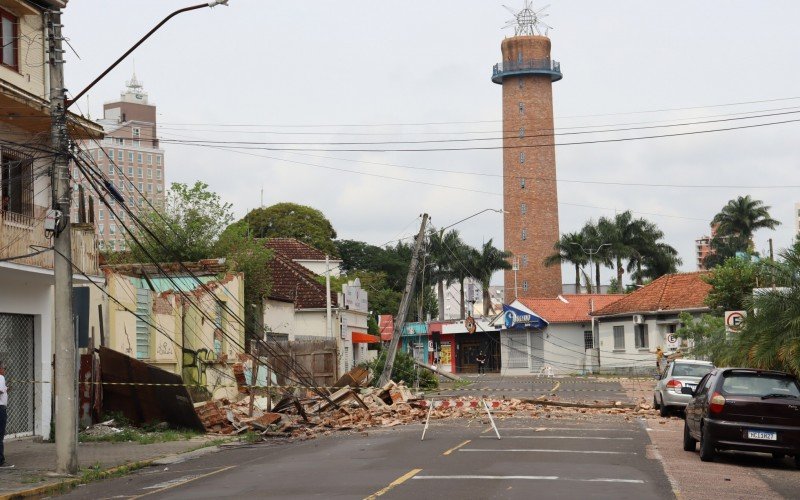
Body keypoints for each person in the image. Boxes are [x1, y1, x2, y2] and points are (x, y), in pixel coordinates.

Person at [0, 362, 7, 467]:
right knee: (0, 434)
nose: (4, 370)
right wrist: (5, 389)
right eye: (3, 368)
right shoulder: (1, 377)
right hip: (0, 408)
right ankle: (0, 460)